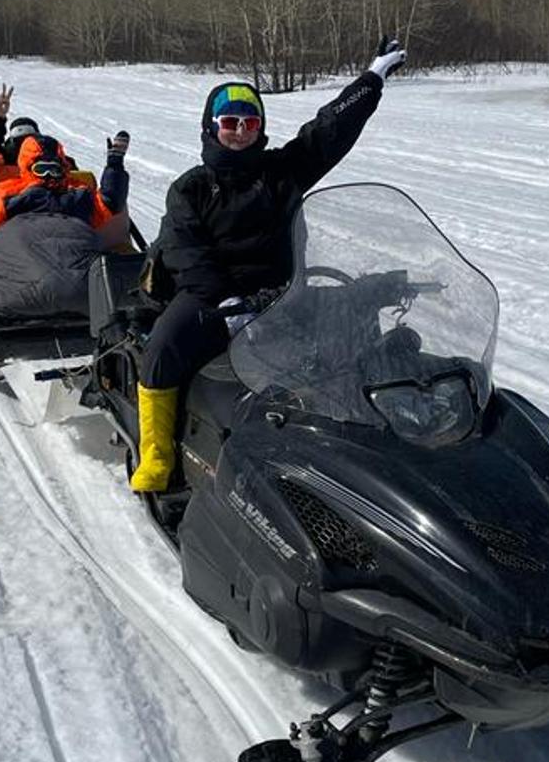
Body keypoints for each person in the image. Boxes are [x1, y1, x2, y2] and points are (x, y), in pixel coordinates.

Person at [130, 36, 407, 492]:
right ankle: (157, 453)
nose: (239, 131)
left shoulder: (281, 172)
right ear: (211, 127)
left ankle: (366, 433)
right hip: (211, 300)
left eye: (249, 122)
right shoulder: (191, 189)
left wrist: (372, 79)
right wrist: (228, 301)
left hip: (280, 295)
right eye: (229, 122)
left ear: (260, 129)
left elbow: (328, 130)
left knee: (348, 331)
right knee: (162, 349)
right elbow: (186, 249)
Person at [0, 134, 130, 316]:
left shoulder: (79, 192)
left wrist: (114, 166)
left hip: (72, 250)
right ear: (27, 167)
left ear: (63, 167)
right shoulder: (3, 193)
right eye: (41, 169)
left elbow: (109, 202)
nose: (48, 176)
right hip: (23, 258)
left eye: (54, 169)